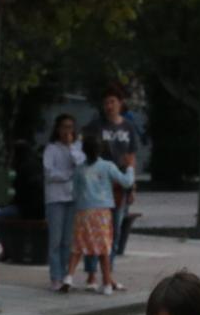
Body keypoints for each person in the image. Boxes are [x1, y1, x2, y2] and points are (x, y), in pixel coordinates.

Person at [65, 135, 134, 295]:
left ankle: (68, 276)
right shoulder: (107, 166)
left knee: (78, 246)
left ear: (84, 151)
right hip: (102, 212)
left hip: (83, 212)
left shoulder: (79, 169)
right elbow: (126, 182)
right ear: (101, 149)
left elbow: (74, 192)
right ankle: (107, 283)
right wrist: (130, 167)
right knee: (103, 248)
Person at [81, 90, 141, 271]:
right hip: (98, 184)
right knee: (94, 229)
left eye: (112, 102)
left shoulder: (128, 127)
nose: (109, 106)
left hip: (118, 185)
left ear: (120, 103)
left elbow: (131, 156)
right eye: (106, 102)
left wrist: (132, 186)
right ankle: (91, 271)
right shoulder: (96, 126)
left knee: (114, 229)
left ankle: (109, 271)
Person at [42, 114, 85, 292]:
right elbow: (49, 172)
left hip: (72, 198)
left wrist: (71, 148)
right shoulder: (51, 149)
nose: (67, 131)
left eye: (70, 127)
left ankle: (67, 275)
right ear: (57, 129)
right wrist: (67, 175)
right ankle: (55, 276)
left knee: (68, 240)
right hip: (55, 198)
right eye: (64, 127)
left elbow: (81, 165)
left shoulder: (77, 148)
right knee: (55, 240)